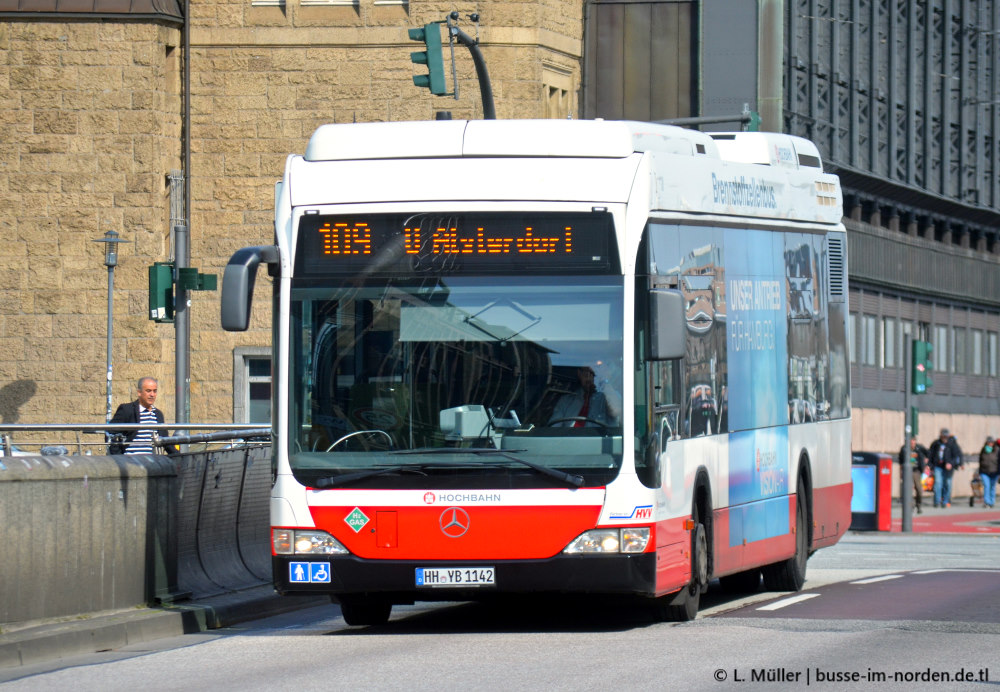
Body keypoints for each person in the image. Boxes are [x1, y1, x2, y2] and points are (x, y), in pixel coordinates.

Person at [109, 377, 178, 455]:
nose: (152, 395)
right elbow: (110, 433)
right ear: (139, 392)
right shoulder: (127, 410)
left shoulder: (158, 414)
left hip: (151, 462)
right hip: (129, 462)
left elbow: (166, 441)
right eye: (148, 391)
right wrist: (119, 458)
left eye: (154, 391)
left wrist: (180, 456)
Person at [549, 366, 614, 428]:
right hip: (569, 438)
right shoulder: (566, 400)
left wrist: (604, 381)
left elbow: (617, 410)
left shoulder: (607, 398)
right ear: (579, 373)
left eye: (593, 374)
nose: (589, 378)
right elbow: (553, 429)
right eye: (586, 373)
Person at [927, 428, 963, 508]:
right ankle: (937, 501)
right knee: (938, 483)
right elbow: (930, 454)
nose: (945, 438)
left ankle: (946, 501)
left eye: (946, 437)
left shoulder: (952, 444)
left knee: (947, 483)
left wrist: (951, 464)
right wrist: (929, 465)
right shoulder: (936, 444)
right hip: (938, 466)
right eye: (943, 437)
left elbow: (956, 456)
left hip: (948, 468)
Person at [898, 436, 928, 513]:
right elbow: (901, 461)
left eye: (913, 441)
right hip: (907, 471)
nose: (912, 443)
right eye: (910, 441)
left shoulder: (919, 448)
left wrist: (927, 462)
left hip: (916, 470)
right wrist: (901, 472)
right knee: (909, 488)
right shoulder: (904, 449)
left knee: (919, 489)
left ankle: (918, 504)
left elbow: (928, 454)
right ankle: (910, 505)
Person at [978, 436, 999, 509]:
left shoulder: (997, 450)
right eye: (989, 442)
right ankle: (987, 502)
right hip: (984, 471)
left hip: (994, 472)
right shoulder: (983, 450)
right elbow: (980, 461)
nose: (990, 443)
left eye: (991, 442)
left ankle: (991, 502)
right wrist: (979, 471)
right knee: (987, 486)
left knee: (992, 487)